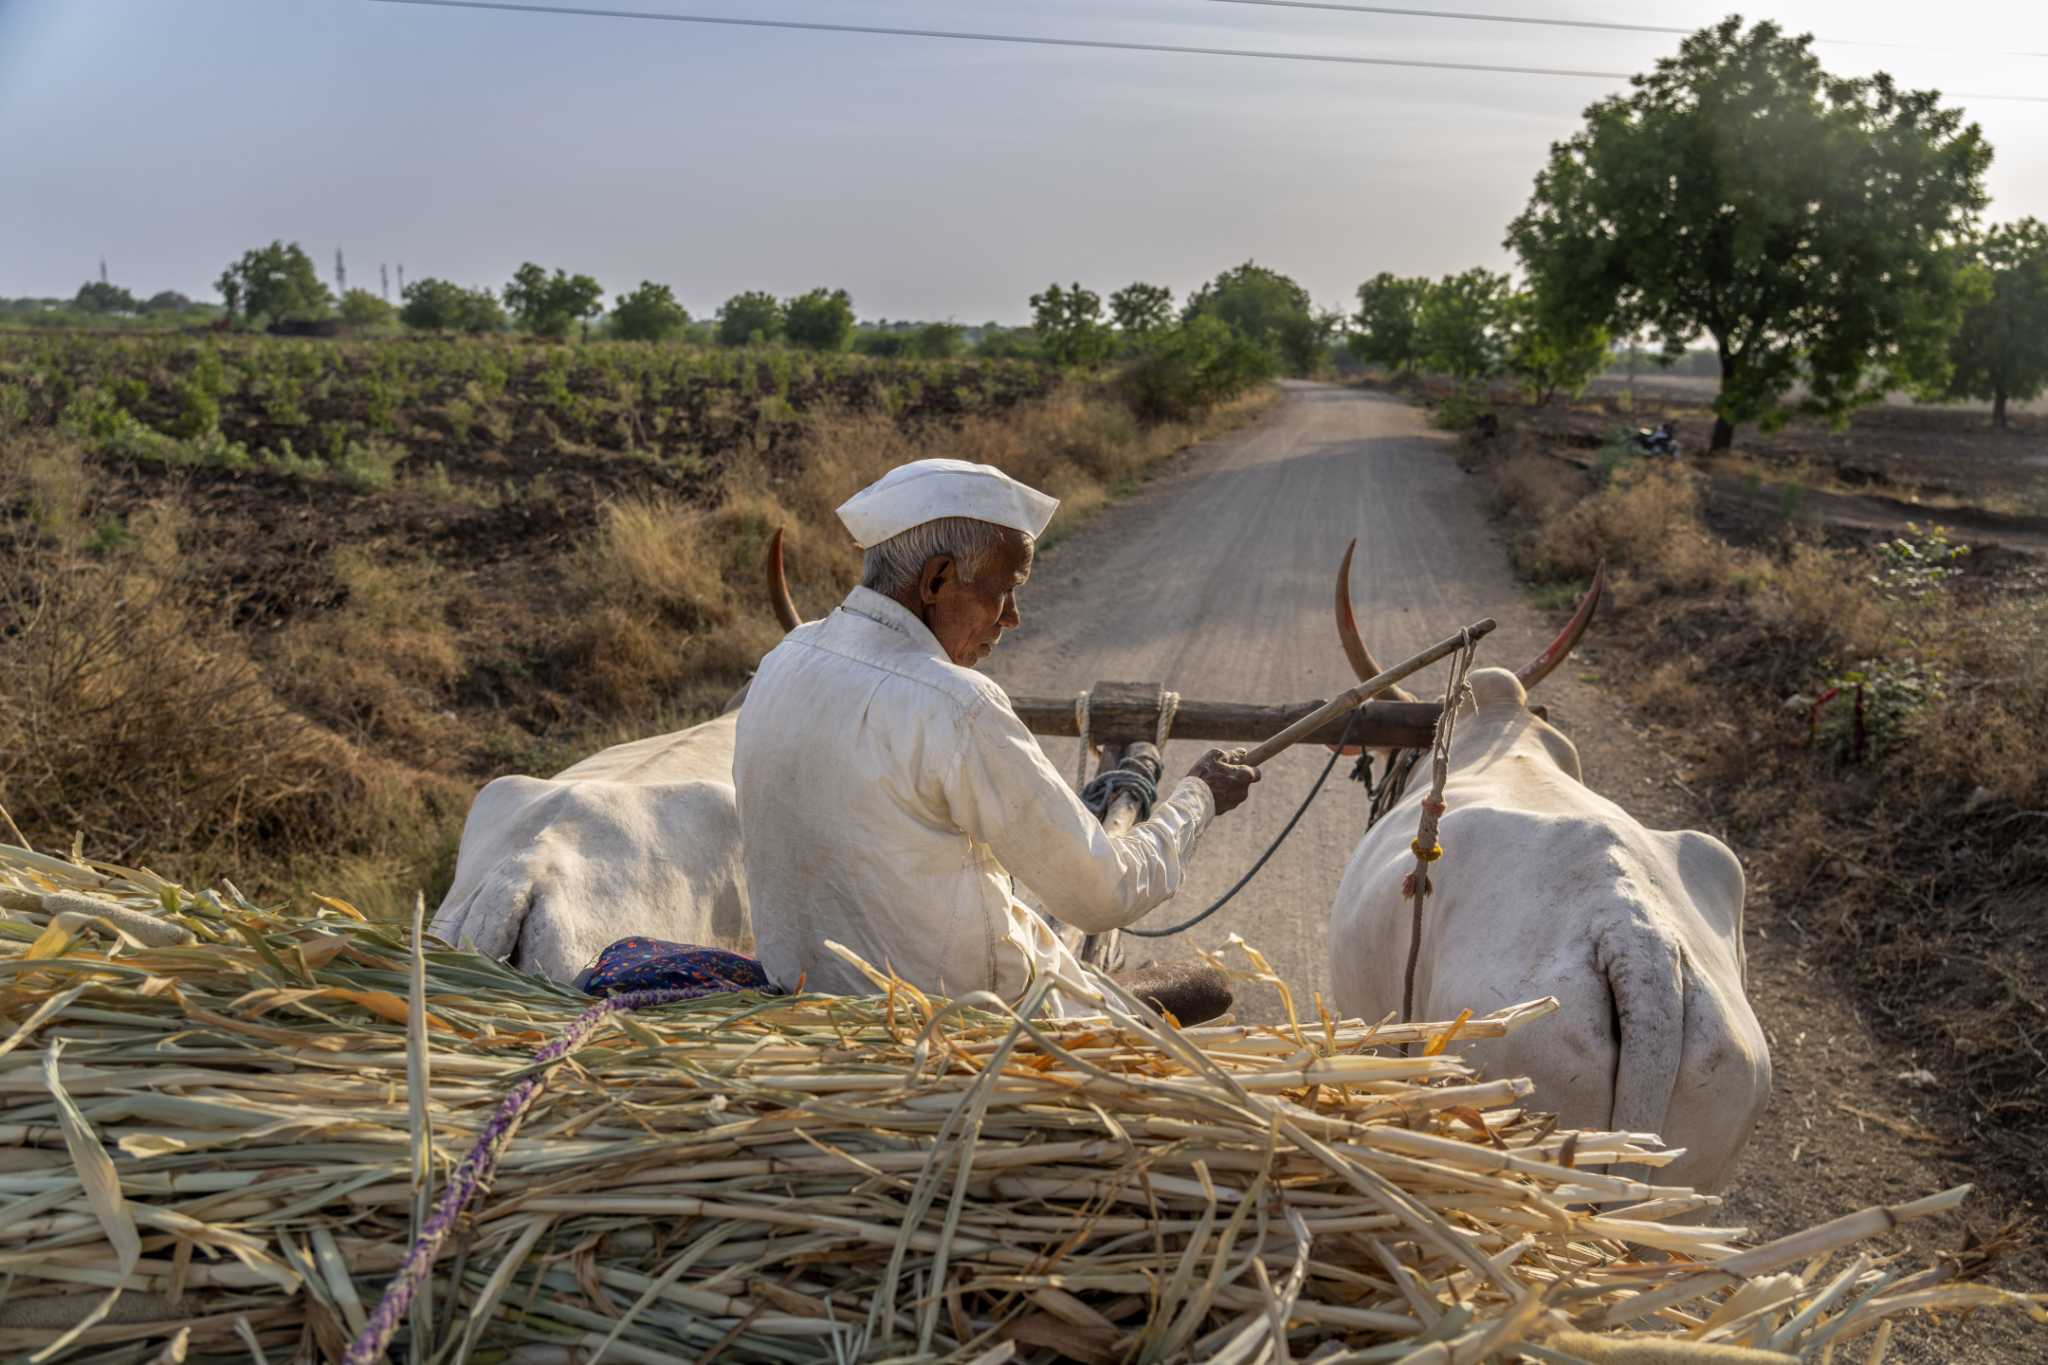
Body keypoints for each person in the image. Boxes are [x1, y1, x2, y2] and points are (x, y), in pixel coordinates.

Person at [734, 458, 1260, 1023]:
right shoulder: (957, 704)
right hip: (966, 1019)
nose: (1012, 618)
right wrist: (1197, 798)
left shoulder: (781, 660)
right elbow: (1106, 894)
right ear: (936, 579)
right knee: (1208, 986)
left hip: (803, 997)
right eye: (1005, 590)